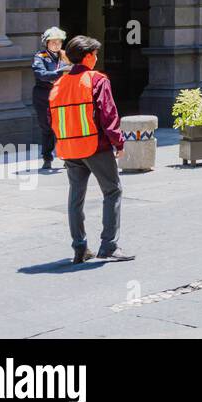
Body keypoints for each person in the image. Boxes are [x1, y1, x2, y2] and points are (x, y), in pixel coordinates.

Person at [50, 35, 133, 263]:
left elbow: (53, 118)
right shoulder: (97, 80)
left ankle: (80, 248)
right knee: (113, 190)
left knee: (76, 198)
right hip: (95, 146)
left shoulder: (59, 83)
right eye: (95, 54)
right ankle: (109, 246)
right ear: (87, 56)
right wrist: (118, 142)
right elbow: (108, 114)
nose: (96, 58)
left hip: (69, 148)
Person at [31, 27, 69, 170]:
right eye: (52, 42)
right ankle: (47, 157)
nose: (56, 45)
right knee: (47, 127)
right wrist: (60, 73)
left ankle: (66, 156)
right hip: (44, 95)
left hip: (61, 95)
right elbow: (41, 74)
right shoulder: (40, 57)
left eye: (59, 42)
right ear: (46, 43)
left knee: (63, 127)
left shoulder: (65, 56)